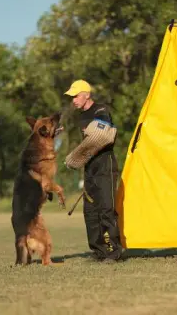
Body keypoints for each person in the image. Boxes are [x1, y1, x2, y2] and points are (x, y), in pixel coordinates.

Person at [64, 79, 123, 262]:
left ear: (86, 95)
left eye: (76, 96)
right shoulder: (81, 117)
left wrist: (78, 154)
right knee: (90, 212)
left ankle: (113, 252)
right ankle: (98, 252)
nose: (73, 100)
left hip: (105, 166)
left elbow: (103, 135)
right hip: (91, 168)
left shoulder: (101, 111)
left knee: (106, 209)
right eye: (72, 97)